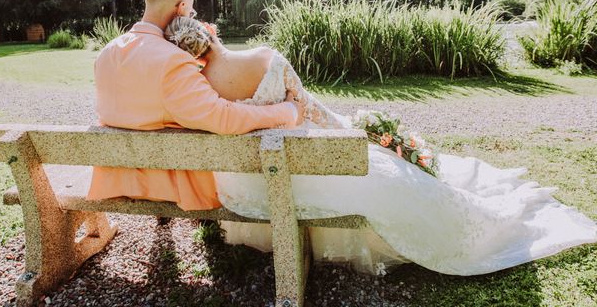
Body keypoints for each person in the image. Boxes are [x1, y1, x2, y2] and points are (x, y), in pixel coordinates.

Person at [164, 15, 597, 276]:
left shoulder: (195, 88)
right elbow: (310, 110)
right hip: (304, 174)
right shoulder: (263, 58)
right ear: (209, 30)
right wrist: (360, 131)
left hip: (248, 190)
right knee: (391, 178)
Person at [87, 0, 304, 210]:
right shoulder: (171, 61)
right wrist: (288, 111)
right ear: (180, 8)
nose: (190, 14)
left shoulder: (106, 54)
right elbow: (223, 118)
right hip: (166, 186)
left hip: (117, 178)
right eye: (190, 9)